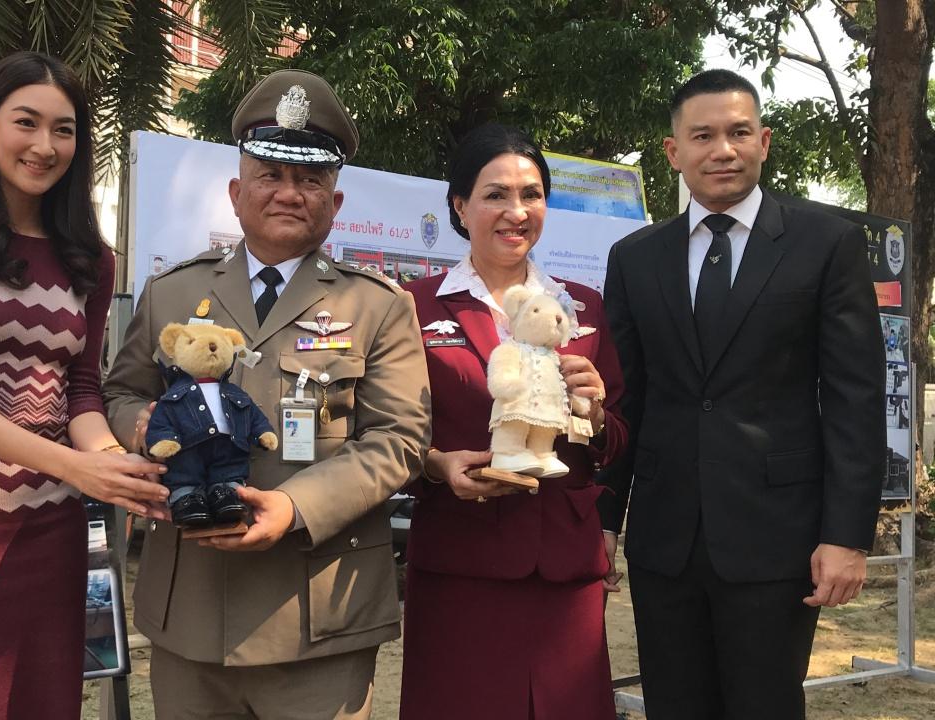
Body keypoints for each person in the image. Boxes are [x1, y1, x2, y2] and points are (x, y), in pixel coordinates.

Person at [104, 69, 429, 719]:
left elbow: (400, 439)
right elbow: (121, 392)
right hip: (190, 609)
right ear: (236, 192)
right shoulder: (172, 292)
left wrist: (294, 506)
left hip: (316, 615)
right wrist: (143, 426)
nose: (288, 193)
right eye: (270, 174)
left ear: (335, 202)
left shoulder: (378, 305)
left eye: (309, 180)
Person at [0, 51, 167, 720]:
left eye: (63, 130)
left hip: (50, 527)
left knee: (47, 703)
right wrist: (76, 467)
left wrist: (114, 467)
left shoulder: (90, 258)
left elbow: (81, 392)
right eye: (26, 122)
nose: (45, 146)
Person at [602, 69, 885, 719]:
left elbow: (856, 397)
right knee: (674, 706)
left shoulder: (826, 244)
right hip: (665, 540)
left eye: (738, 133)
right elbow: (626, 398)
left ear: (764, 141)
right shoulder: (635, 257)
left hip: (778, 539)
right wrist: (604, 520)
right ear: (674, 151)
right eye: (702, 136)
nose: (722, 150)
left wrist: (847, 536)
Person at [398, 124, 628, 719]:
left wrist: (596, 412)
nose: (517, 211)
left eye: (532, 194)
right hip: (460, 560)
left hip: (564, 566)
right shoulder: (414, 304)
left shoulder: (582, 304)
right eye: (496, 194)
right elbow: (389, 430)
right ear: (459, 206)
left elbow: (618, 434)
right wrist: (435, 465)